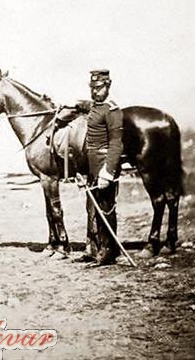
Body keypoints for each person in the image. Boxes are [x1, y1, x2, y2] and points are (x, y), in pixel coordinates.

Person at [81, 69, 124, 265]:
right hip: (93, 165)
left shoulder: (112, 111)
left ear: (108, 86)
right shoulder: (95, 107)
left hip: (105, 164)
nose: (95, 91)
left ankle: (109, 251)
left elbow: (116, 143)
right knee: (94, 208)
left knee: (106, 208)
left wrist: (108, 171)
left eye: (99, 88)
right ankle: (97, 248)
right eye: (93, 87)